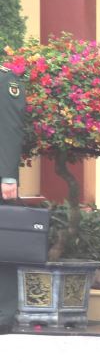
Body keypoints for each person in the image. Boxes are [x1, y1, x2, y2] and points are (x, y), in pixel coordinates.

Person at [0, 64, 24, 334]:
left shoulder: (5, 80)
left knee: (1, 246)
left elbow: (10, 129)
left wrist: (8, 176)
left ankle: (4, 313)